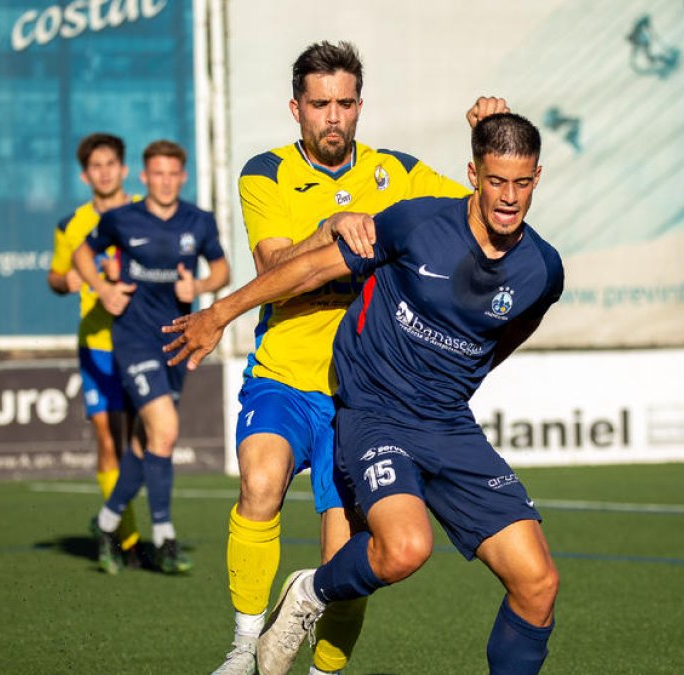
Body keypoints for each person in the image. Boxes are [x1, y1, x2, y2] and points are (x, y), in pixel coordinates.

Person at [165, 113, 563, 675]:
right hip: (375, 413)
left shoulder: (542, 269)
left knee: (538, 583)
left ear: (538, 178)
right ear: (473, 174)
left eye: (521, 183)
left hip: (448, 423)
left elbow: (508, 334)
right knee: (405, 549)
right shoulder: (417, 223)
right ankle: (308, 594)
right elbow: (306, 271)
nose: (508, 197)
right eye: (497, 181)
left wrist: (458, 379)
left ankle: (311, 595)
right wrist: (221, 312)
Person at [209, 39, 507, 675]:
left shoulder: (397, 171)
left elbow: (482, 216)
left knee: (346, 554)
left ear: (360, 105)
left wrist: (486, 143)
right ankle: (242, 646)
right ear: (297, 109)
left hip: (362, 399)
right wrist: (329, 230)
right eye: (321, 104)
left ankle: (324, 670)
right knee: (259, 483)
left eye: (345, 103)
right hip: (285, 375)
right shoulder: (265, 173)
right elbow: (272, 265)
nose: (334, 116)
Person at [73, 139, 230, 575]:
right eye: (156, 173)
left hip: (178, 341)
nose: (164, 181)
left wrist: (197, 289)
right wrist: (103, 289)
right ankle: (163, 536)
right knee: (165, 429)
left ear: (183, 176)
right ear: (144, 177)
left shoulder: (198, 221)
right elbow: (82, 252)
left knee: (148, 443)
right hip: (134, 340)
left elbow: (222, 270)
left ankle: (106, 523)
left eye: (172, 174)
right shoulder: (122, 218)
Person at [46, 132, 146, 567]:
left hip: (142, 341)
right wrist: (65, 281)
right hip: (97, 345)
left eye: (111, 164)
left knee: (142, 445)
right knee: (109, 442)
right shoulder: (72, 225)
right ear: (85, 175)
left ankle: (120, 528)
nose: (104, 172)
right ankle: (126, 540)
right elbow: (54, 276)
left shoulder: (149, 212)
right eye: (95, 166)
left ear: (123, 170)